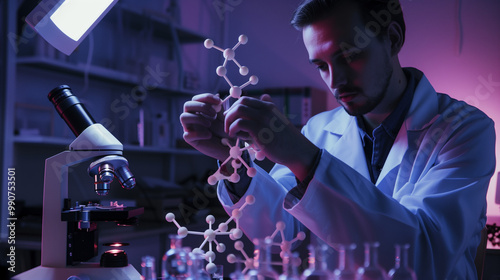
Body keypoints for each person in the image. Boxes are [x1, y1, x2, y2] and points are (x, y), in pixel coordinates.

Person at [180, 0, 496, 278]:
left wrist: (305, 158)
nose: (337, 80)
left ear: (393, 39)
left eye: (349, 56)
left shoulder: (466, 129)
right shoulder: (319, 129)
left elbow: (423, 261)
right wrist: (232, 160)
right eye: (321, 66)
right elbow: (284, 236)